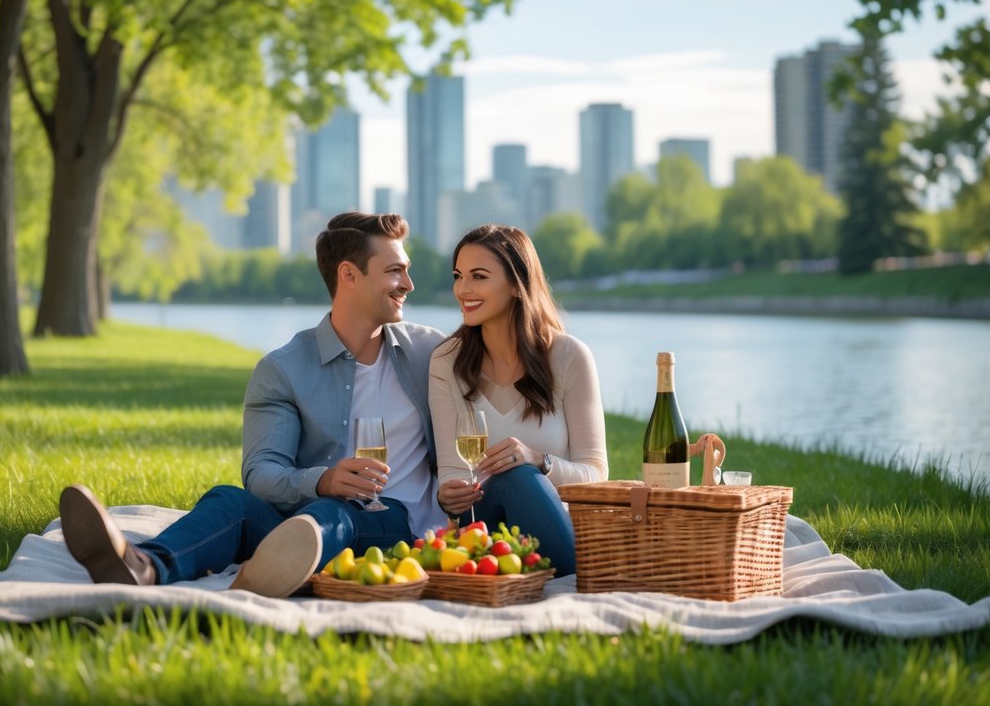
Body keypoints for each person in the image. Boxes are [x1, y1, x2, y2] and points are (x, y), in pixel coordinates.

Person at [59, 212, 446, 596]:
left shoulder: (430, 352)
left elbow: (498, 361)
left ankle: (270, 571)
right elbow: (261, 472)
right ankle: (142, 567)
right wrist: (323, 480)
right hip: (304, 524)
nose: (408, 284)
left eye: (406, 270)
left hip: (400, 526)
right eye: (395, 271)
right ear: (348, 275)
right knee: (229, 501)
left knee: (335, 513)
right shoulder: (284, 368)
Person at [429, 225, 607, 576]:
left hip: (552, 525)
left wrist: (538, 461)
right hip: (480, 529)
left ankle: (560, 568)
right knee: (511, 478)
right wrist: (447, 496)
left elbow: (596, 475)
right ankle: (571, 575)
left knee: (521, 475)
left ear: (516, 284)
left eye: (478, 277)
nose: (463, 289)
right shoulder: (446, 361)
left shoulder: (569, 356)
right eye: (458, 276)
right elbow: (451, 472)